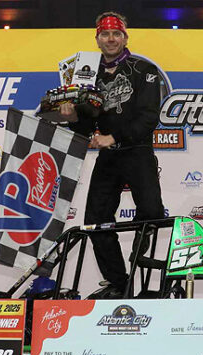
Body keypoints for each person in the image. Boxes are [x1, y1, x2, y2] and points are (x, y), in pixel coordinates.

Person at [60, 11, 164, 299]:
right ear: (97, 39)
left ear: (125, 37)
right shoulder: (85, 76)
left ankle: (138, 258)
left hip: (137, 151)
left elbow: (149, 117)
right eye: (105, 34)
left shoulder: (144, 70)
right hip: (108, 157)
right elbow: (85, 125)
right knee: (95, 220)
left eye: (116, 34)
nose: (111, 39)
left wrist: (114, 136)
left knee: (153, 214)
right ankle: (119, 281)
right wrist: (70, 115)